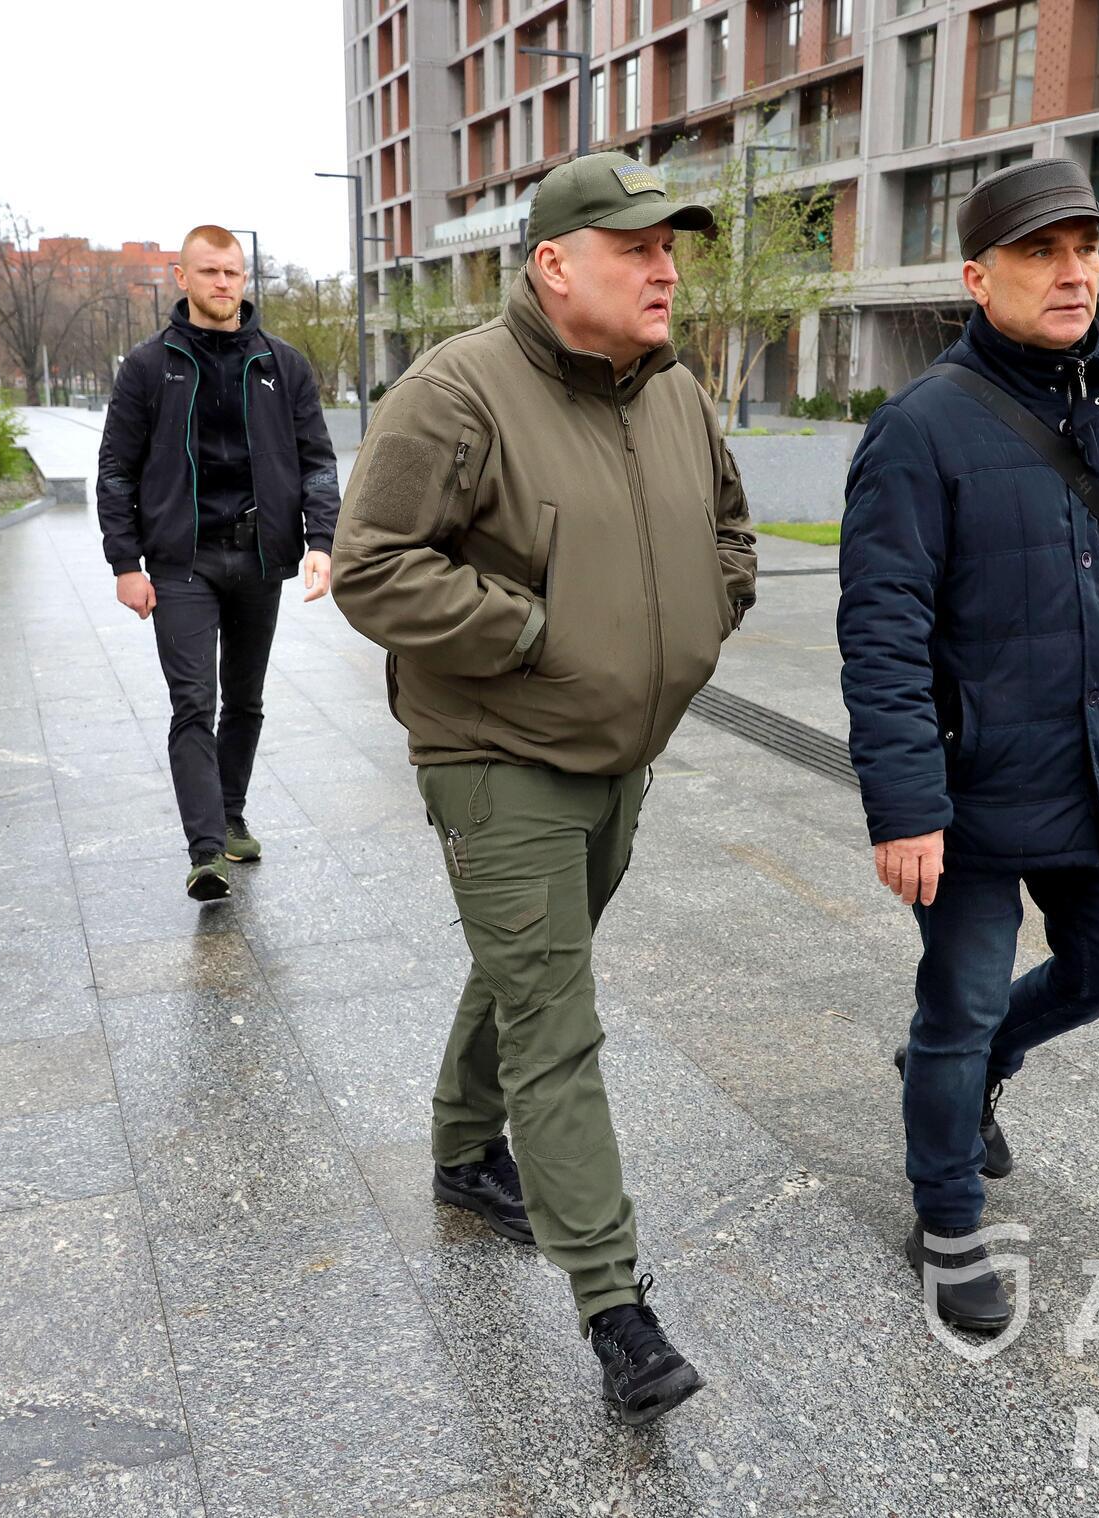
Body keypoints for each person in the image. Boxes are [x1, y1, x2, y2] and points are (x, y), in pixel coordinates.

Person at [331, 152, 757, 1426]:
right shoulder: (454, 392)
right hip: (497, 753)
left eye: (672, 246)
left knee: (525, 970)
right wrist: (528, 635)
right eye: (636, 248)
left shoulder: (673, 390)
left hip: (622, 753)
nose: (666, 268)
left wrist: (707, 610)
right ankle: (615, 1308)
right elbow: (370, 568)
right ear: (554, 263)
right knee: (556, 1021)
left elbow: (729, 528)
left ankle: (463, 1148)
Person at [837, 158, 1099, 1334]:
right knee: (953, 1007)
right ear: (976, 276)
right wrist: (904, 805)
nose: (1072, 270)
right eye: (1042, 252)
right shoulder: (920, 429)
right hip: (969, 784)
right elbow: (881, 629)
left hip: (1095, 759)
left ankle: (952, 1082)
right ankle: (943, 1213)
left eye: (1085, 247)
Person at [97, 224, 341, 900]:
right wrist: (125, 562)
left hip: (260, 555)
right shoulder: (150, 366)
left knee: (247, 701)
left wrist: (321, 543)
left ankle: (230, 817)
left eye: (232, 272)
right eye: (209, 272)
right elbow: (116, 468)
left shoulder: (282, 364)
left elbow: (318, 461)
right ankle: (205, 850)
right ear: (183, 277)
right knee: (192, 703)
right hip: (182, 562)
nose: (223, 284)